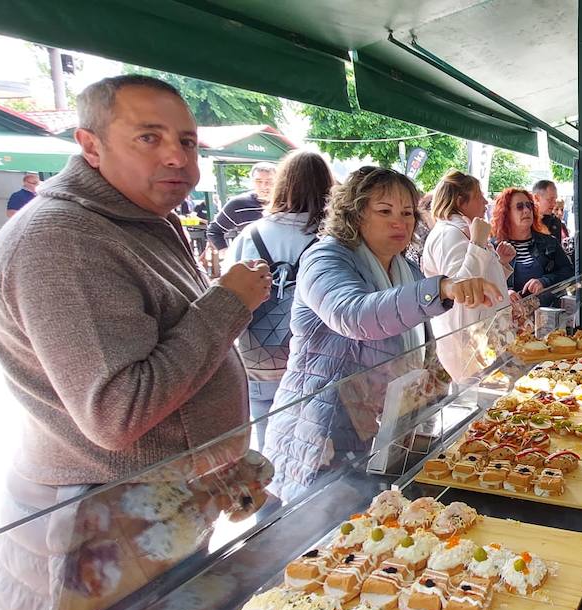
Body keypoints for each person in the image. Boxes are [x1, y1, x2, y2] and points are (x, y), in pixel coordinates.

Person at [0, 75, 272, 610]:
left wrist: (219, 461)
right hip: (99, 514)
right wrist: (229, 303)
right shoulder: (64, 241)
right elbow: (118, 412)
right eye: (148, 137)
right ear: (90, 145)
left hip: (155, 505)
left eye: (186, 141)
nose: (177, 158)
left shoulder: (138, 221)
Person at [264, 166, 501, 501]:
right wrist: (443, 288)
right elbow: (354, 314)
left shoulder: (404, 266)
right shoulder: (325, 257)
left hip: (382, 430)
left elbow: (418, 336)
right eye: (385, 211)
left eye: (407, 213)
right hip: (325, 429)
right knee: (326, 537)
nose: (400, 222)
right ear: (355, 212)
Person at [223, 150, 334, 447]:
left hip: (258, 357)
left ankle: (270, 492)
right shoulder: (330, 239)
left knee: (266, 441)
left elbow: (228, 290)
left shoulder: (249, 235)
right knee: (314, 447)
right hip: (314, 361)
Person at [421, 170, 518, 379]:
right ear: (460, 200)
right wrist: (477, 244)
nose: (485, 201)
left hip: (484, 339)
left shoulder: (464, 230)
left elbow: (480, 280)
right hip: (468, 345)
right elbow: (461, 289)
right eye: (478, 195)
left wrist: (501, 264)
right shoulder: (448, 233)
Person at [490, 187, 573, 303]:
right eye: (519, 207)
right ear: (506, 213)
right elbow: (487, 282)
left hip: (546, 315)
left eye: (529, 205)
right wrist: (506, 292)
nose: (526, 210)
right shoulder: (493, 247)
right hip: (509, 317)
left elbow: (569, 271)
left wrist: (544, 281)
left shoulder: (550, 242)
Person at [208, 161, 276, 251]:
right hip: (251, 261)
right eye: (258, 181)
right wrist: (225, 253)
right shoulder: (238, 204)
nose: (264, 186)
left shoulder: (288, 203)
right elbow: (214, 230)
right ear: (252, 181)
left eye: (269, 181)